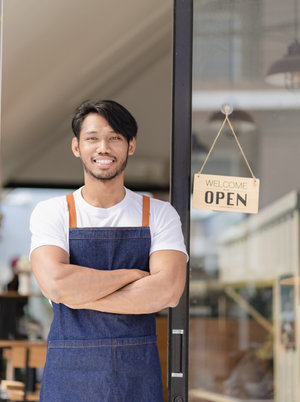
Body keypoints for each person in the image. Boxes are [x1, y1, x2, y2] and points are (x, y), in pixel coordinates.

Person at [30, 99, 187, 402]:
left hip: (137, 375)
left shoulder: (158, 213)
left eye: (114, 137)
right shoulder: (54, 212)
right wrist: (131, 276)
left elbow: (167, 292)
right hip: (70, 374)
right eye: (92, 138)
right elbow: (57, 285)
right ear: (77, 146)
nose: (103, 147)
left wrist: (81, 295)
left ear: (130, 145)